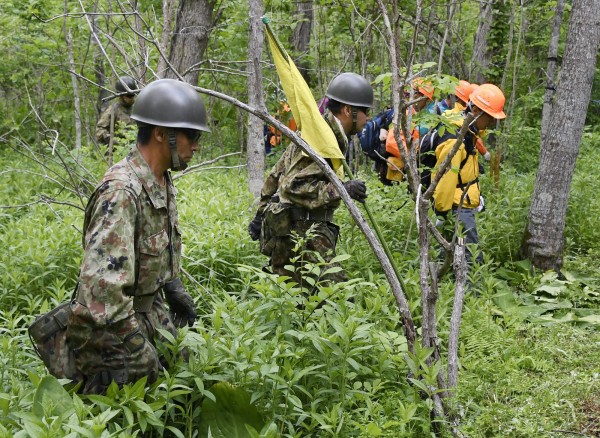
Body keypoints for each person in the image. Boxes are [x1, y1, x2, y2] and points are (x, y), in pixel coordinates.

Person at [67, 78, 210, 394]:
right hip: (110, 328)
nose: (197, 145)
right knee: (135, 401)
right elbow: (101, 297)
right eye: (192, 136)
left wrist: (172, 287)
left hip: (147, 309)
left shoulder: (159, 179)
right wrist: (137, 350)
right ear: (162, 134)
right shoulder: (121, 193)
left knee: (186, 383)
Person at [248, 72, 373, 289]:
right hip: (303, 232)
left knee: (296, 299)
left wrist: (260, 213)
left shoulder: (320, 130)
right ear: (348, 110)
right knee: (335, 297)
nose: (368, 118)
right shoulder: (323, 138)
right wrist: (342, 189)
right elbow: (291, 185)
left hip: (295, 232)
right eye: (365, 111)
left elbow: (277, 173)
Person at [432, 83, 506, 264]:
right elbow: (445, 178)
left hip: (462, 203)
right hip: (457, 206)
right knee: (471, 257)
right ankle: (473, 291)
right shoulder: (456, 139)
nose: (491, 123)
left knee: (446, 253)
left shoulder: (469, 133)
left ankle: (442, 282)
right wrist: (442, 211)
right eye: (489, 118)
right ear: (476, 111)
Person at [95, 76, 138, 146]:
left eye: (133, 95)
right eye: (128, 96)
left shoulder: (138, 108)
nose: (132, 98)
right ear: (121, 95)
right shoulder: (113, 110)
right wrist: (112, 140)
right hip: (117, 151)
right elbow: (99, 130)